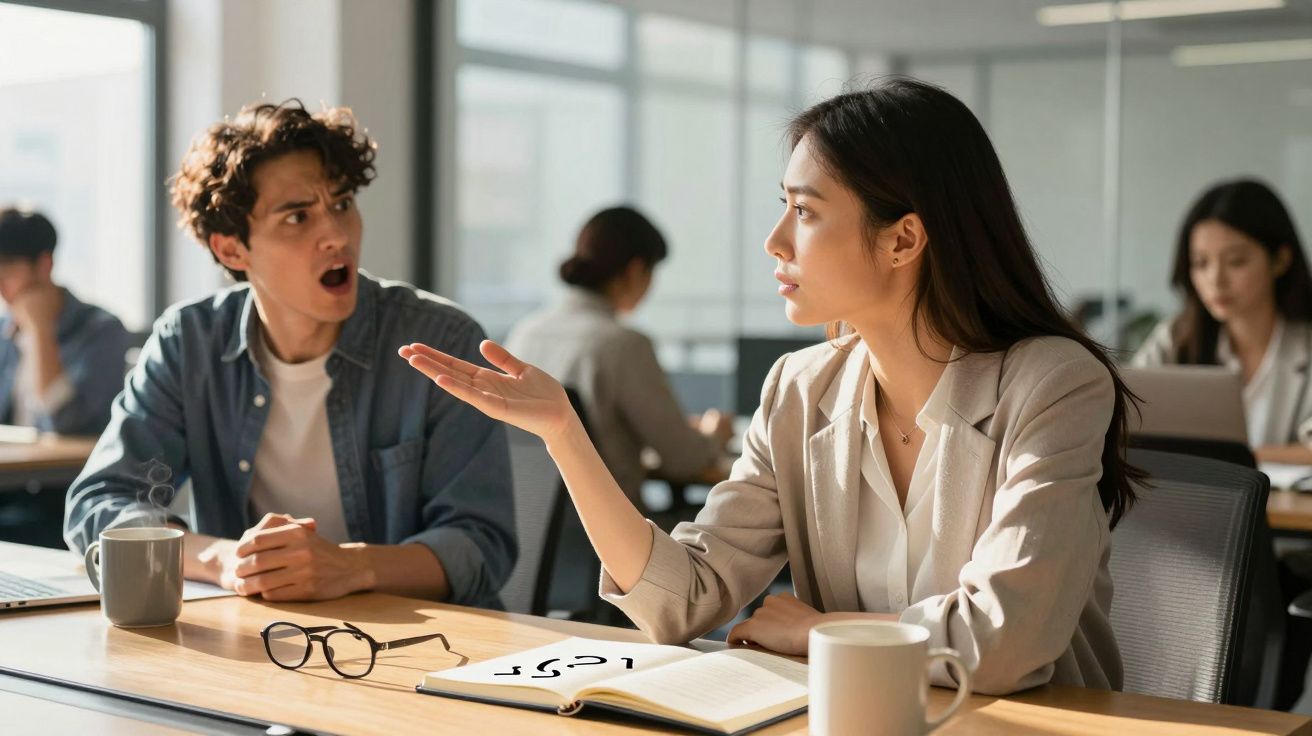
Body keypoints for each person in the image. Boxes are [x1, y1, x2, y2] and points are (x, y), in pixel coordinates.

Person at [401, 78, 1140, 695]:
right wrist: (565, 434)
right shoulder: (800, 388)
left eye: (805, 211)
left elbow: (1005, 642)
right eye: (783, 205)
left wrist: (821, 632)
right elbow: (683, 601)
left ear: (903, 239)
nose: (775, 240)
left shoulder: (1052, 383)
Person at [64, 100, 516, 607]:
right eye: (298, 217)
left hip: (424, 641)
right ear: (232, 249)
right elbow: (101, 501)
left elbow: (482, 545)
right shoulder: (189, 343)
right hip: (258, 634)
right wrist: (224, 560)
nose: (337, 236)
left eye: (342, 204)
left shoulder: (440, 341)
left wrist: (350, 567)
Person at [504, 206, 732, 511]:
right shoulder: (623, 344)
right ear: (636, 270)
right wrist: (715, 436)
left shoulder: (525, 333)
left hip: (528, 525)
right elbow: (684, 460)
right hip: (613, 531)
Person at [1133, 179, 1312, 464]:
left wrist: (1239, 458)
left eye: (1236, 261)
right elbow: (1125, 417)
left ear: (1280, 260)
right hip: (1197, 492)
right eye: (1201, 263)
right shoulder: (1176, 337)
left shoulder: (1305, 342)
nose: (1215, 280)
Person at [0, 207, 134, 435]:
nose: (2, 289)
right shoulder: (6, 329)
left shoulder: (101, 331)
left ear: (44, 265)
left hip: (65, 459)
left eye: (7, 274)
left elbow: (66, 425)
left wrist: (42, 331)